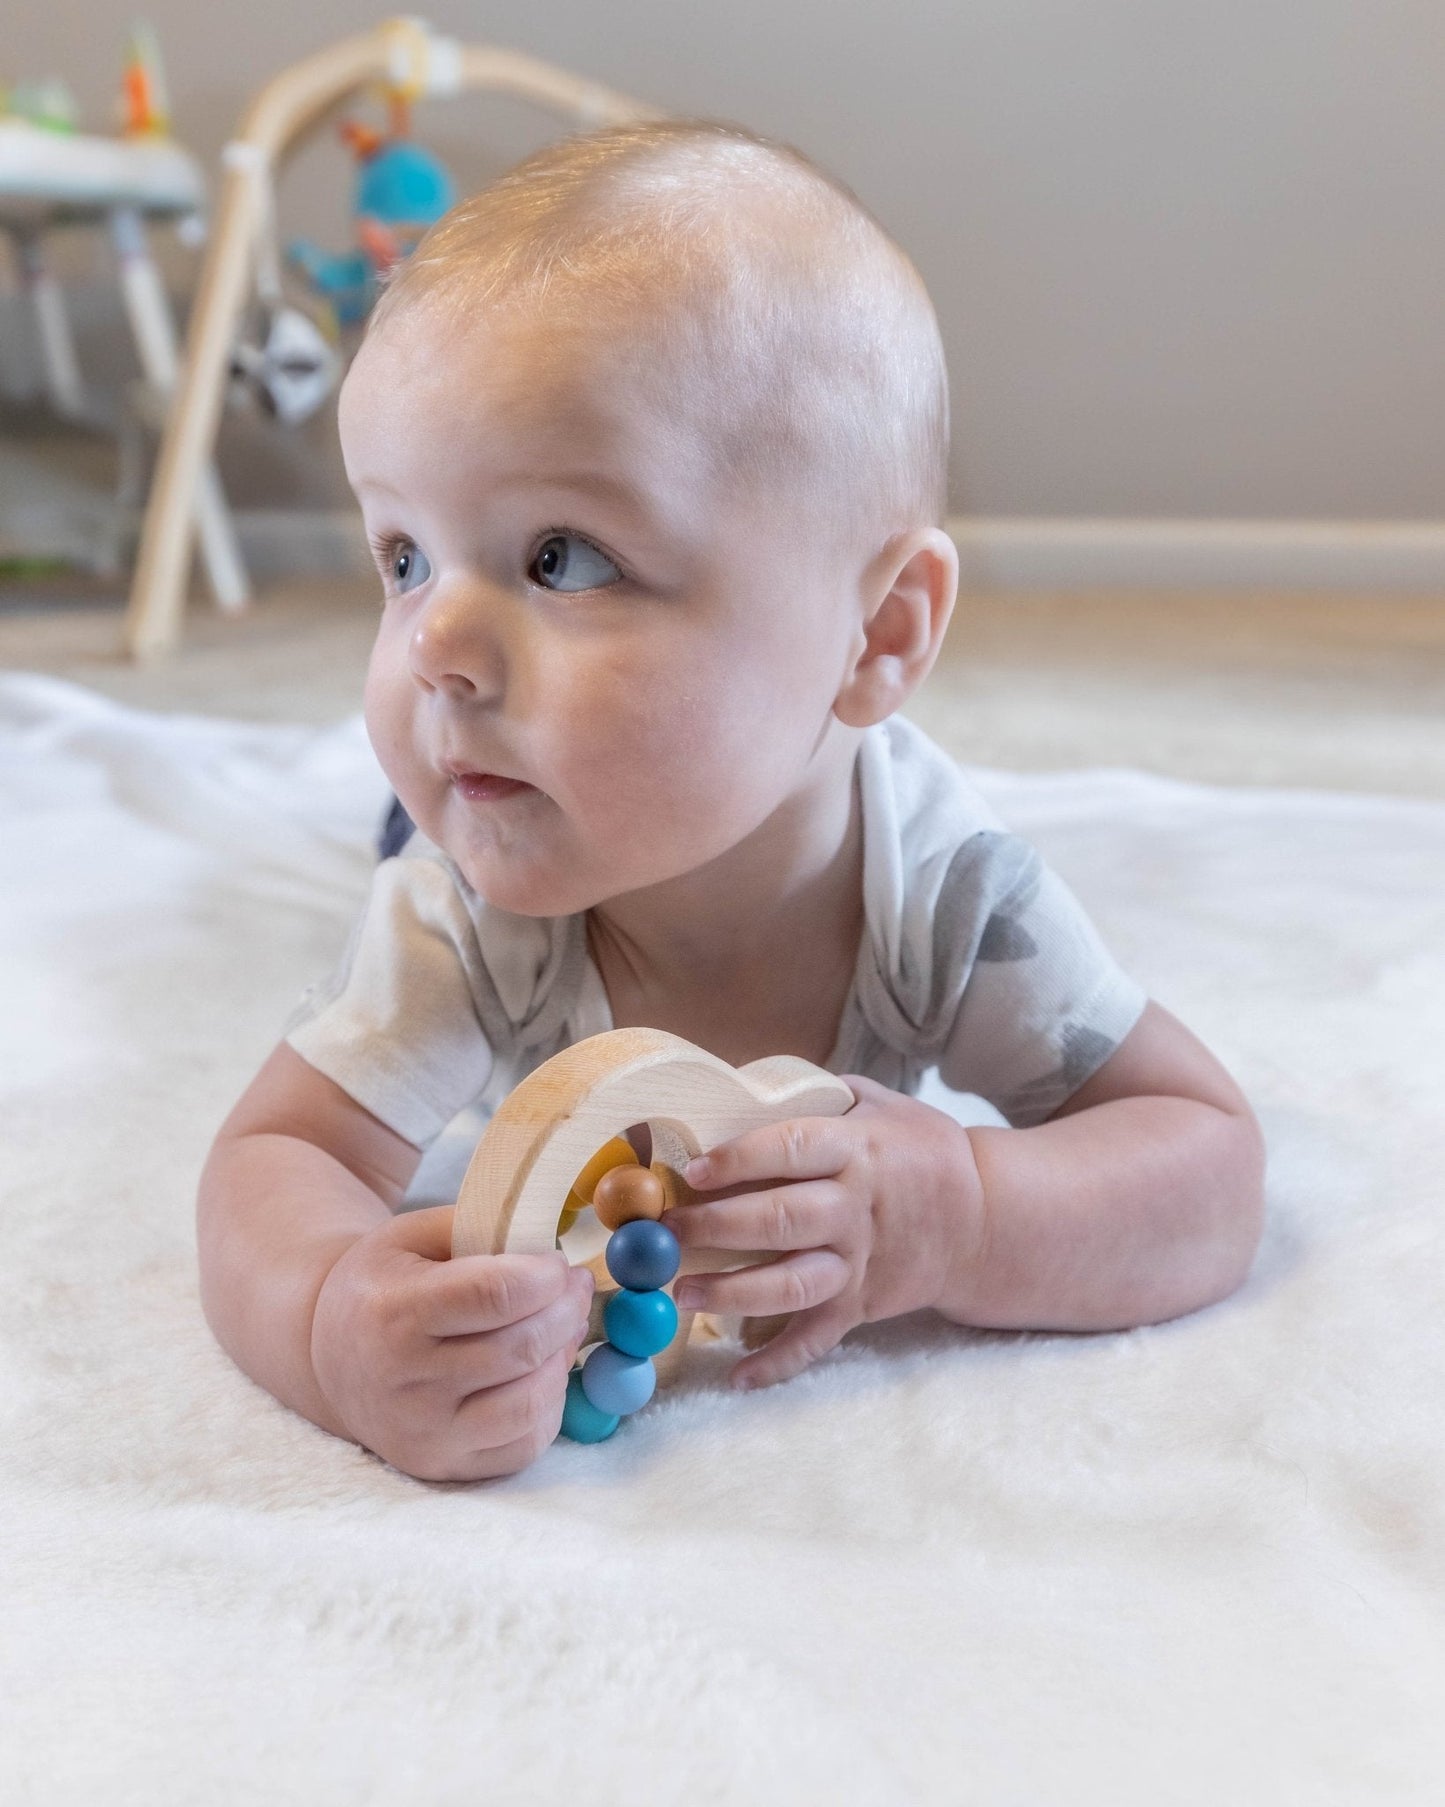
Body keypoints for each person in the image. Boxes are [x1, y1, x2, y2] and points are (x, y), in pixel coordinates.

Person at [197, 120, 1265, 1482]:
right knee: (413, 826)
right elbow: (279, 1156)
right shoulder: (466, 913)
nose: (431, 647)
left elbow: (1208, 1166)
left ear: (874, 637)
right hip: (486, 807)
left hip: (578, 792)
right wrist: (325, 1321)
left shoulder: (944, 898)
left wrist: (970, 1212)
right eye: (401, 555)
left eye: (561, 557)